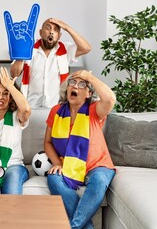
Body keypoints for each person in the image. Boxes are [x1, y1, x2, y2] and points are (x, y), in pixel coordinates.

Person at [44, 70, 116, 229]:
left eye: (82, 84)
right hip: (67, 165)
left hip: (97, 166)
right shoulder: (56, 111)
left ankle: (74, 226)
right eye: (72, 82)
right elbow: (48, 142)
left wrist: (89, 76)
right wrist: (57, 163)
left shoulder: (94, 110)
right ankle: (87, 227)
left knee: (99, 181)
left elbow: (110, 99)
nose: (75, 86)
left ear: (89, 93)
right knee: (53, 178)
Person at [10, 18, 91, 109]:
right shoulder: (29, 48)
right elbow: (14, 74)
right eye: (48, 28)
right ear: (41, 33)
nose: (51, 32)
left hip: (57, 107)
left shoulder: (65, 49)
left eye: (56, 30)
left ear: (59, 36)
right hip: (30, 106)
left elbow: (86, 48)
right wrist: (21, 54)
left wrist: (67, 28)